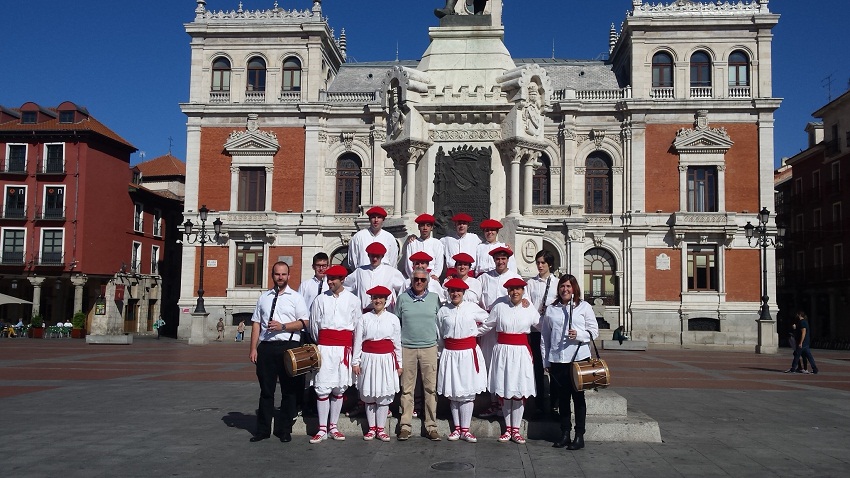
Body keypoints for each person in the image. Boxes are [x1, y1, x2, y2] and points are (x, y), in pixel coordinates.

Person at [248, 261, 310, 443]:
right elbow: (256, 323)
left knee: (288, 391)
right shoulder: (264, 297)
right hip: (267, 347)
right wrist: (253, 348)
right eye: (277, 274)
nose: (280, 277)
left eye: (283, 274)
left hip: (288, 346)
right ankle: (262, 430)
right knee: (266, 390)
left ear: (288, 276)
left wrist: (283, 326)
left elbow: (304, 322)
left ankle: (284, 430)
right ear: (272, 275)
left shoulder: (296, 297)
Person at [540, 274, 599, 450]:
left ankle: (579, 435)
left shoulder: (584, 307)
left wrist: (579, 335)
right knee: (563, 399)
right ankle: (565, 433)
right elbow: (545, 337)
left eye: (568, 286)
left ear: (574, 288)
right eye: (562, 286)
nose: (565, 289)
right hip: (559, 359)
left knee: (578, 398)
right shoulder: (552, 309)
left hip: (579, 359)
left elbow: (593, 332)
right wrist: (546, 361)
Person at [480, 277, 540, 444]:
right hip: (503, 352)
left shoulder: (529, 308)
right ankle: (508, 429)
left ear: (523, 291)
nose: (515, 292)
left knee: (519, 390)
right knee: (506, 389)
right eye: (512, 289)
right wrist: (469, 333)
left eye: (518, 289)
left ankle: (516, 429)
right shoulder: (499, 306)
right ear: (508, 291)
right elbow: (487, 325)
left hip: (521, 353)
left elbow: (541, 325)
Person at [308, 265, 362, 443]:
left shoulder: (353, 300)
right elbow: (314, 327)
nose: (329, 282)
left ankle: (333, 426)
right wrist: (324, 344)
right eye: (328, 279)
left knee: (339, 388)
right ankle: (322, 428)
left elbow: (357, 329)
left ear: (342, 280)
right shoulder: (320, 299)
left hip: (343, 350)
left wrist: (355, 357)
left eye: (333, 279)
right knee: (322, 388)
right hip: (325, 348)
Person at [436, 278, 489, 443]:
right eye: (452, 291)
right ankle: (457, 428)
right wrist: (441, 353)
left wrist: (475, 332)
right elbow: (439, 332)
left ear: (464, 293)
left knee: (467, 391)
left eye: (458, 291)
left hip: (467, 353)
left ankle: (466, 429)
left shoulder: (472, 308)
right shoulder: (443, 310)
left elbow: (489, 320)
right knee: (454, 392)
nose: (455, 294)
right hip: (451, 353)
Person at [477, 246, 528, 418]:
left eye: (503, 259)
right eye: (497, 259)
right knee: (491, 364)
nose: (500, 262)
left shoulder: (515, 277)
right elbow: (477, 299)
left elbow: (523, 299)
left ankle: (505, 402)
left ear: (507, 260)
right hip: (489, 327)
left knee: (506, 366)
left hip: (508, 329)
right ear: (494, 260)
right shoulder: (485, 277)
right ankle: (494, 402)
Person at [395, 267, 442, 441]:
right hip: (407, 348)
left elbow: (440, 322)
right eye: (416, 279)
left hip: (429, 347)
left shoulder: (435, 299)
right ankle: (405, 426)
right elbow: (396, 323)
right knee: (407, 390)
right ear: (411, 280)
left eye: (423, 280)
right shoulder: (402, 299)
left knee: (430, 389)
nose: (419, 282)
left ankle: (431, 426)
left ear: (427, 281)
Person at [352, 286, 403, 442]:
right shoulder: (364, 318)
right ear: (371, 300)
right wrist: (356, 361)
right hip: (368, 359)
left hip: (386, 359)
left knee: (383, 393)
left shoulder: (393, 319)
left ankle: (381, 429)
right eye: (375, 298)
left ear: (386, 300)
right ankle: (371, 428)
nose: (378, 301)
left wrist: (399, 363)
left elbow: (397, 343)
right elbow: (358, 342)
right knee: (370, 393)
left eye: (381, 298)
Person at [526, 250, 558, 416]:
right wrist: (538, 324)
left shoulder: (558, 283)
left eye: (543, 263)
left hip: (552, 331)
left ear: (550, 264)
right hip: (536, 330)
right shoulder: (530, 283)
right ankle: (539, 404)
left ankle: (554, 404)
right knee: (538, 367)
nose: (539, 265)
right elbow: (528, 305)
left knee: (554, 367)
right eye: (538, 262)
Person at [344, 242, 405, 312]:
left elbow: (403, 288)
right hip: (364, 312)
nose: (375, 259)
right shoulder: (359, 271)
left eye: (377, 256)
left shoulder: (391, 272)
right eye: (372, 256)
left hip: (385, 312)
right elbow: (346, 287)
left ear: (382, 256)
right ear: (368, 255)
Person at [404, 213, 445, 279]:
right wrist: (414, 276)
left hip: (432, 277)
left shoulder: (437, 243)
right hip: (415, 277)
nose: (425, 228)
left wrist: (434, 275)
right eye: (422, 225)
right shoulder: (412, 243)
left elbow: (439, 263)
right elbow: (408, 264)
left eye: (428, 225)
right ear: (418, 227)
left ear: (431, 228)